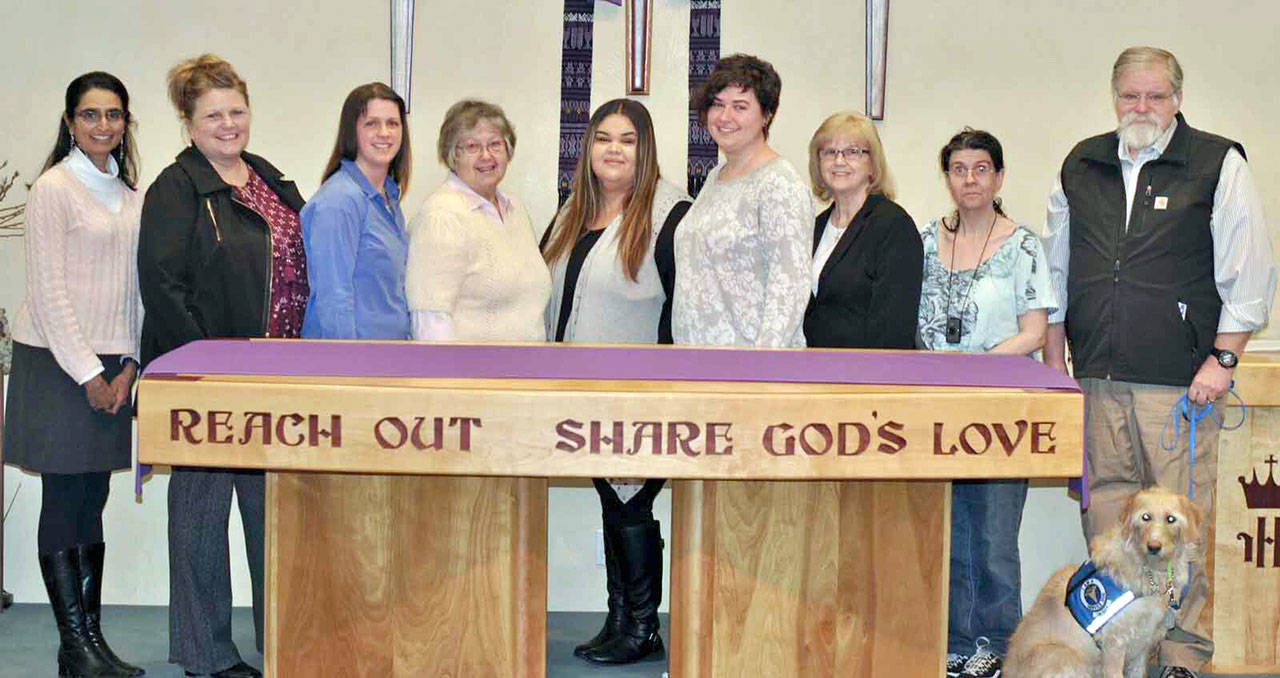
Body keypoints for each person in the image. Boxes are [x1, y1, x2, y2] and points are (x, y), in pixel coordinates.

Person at [1042, 46, 1276, 678]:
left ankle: (1181, 659)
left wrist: (1223, 359)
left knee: (1181, 529)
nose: (1140, 107)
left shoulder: (1216, 163)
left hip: (1180, 386)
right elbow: (1054, 268)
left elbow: (1248, 271)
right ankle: (1110, 655)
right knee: (1110, 530)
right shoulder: (1081, 163)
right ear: (1113, 97)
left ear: (1177, 99)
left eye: (1154, 95)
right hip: (1095, 378)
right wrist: (1053, 358)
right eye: (1129, 96)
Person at [139, 54, 307, 678]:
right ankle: (206, 654)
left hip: (277, 377)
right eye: (213, 114)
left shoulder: (269, 177)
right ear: (187, 123)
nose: (228, 123)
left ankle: (282, 641)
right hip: (208, 380)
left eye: (237, 111)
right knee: (203, 516)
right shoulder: (176, 187)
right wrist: (208, 365)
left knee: (272, 518)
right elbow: (162, 284)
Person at [4, 71, 145, 678]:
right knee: (65, 499)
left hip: (116, 368)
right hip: (60, 366)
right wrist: (90, 373)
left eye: (113, 115)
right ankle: (76, 647)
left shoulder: (132, 193)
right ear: (70, 123)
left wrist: (131, 367)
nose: (103, 126)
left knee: (93, 498)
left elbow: (139, 293)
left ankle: (87, 646)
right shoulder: (54, 189)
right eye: (90, 115)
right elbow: (50, 292)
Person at [541, 98, 691, 665]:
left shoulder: (670, 216)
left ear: (644, 148)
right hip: (578, 390)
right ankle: (621, 618)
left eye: (627, 139)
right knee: (612, 499)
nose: (613, 149)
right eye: (603, 138)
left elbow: (683, 307)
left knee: (632, 503)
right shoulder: (571, 212)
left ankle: (643, 629)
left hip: (642, 391)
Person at [917, 129, 1056, 678]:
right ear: (946, 176)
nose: (969, 179)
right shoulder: (927, 239)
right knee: (948, 527)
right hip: (936, 406)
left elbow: (1036, 330)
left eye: (980, 169)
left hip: (1000, 406)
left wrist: (979, 365)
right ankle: (953, 642)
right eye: (958, 169)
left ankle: (998, 645)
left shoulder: (1023, 245)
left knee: (994, 533)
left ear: (998, 177)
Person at [673, 54, 811, 348]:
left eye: (740, 107)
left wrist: (759, 370)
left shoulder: (779, 184)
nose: (725, 117)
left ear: (767, 115)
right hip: (697, 364)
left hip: (749, 372)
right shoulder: (715, 177)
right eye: (718, 104)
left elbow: (789, 288)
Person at [406, 99, 549, 342]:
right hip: (473, 376)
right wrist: (450, 379)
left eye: (495, 144)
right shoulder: (442, 215)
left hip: (525, 372)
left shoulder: (516, 210)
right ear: (452, 156)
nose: (486, 156)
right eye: (472, 146)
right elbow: (430, 321)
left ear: (508, 151)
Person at [301, 82, 411, 340]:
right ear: (352, 132)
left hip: (388, 356)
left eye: (392, 124)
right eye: (371, 124)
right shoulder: (339, 201)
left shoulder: (389, 198)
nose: (384, 133)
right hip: (353, 364)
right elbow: (334, 296)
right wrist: (348, 366)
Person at [804, 111, 921, 349]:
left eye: (852, 152)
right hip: (815, 372)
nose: (839, 161)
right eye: (829, 152)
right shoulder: (814, 227)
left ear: (872, 164)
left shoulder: (894, 227)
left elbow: (894, 330)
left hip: (866, 378)